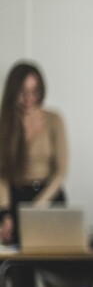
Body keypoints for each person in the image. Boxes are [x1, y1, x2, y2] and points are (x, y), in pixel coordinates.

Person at [0, 61, 68, 245]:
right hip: (16, 198)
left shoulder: (54, 120)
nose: (29, 98)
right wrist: (5, 213)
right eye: (23, 92)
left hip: (48, 196)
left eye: (34, 92)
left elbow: (61, 171)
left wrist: (37, 208)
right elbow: (3, 175)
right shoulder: (5, 123)